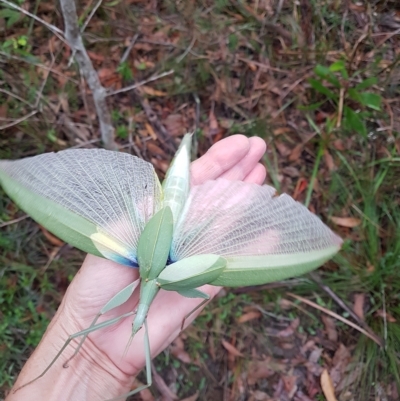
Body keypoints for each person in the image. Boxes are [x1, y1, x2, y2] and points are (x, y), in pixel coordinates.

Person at [6, 135, 267, 401]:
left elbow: (78, 330)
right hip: (178, 237)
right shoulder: (154, 275)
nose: (136, 322)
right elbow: (81, 328)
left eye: (135, 322)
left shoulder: (131, 261)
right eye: (137, 324)